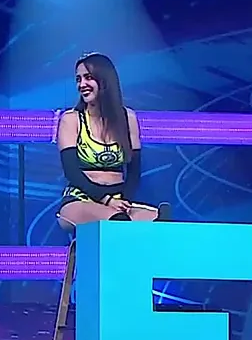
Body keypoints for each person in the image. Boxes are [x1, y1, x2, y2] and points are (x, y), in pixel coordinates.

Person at [56, 53, 170, 230]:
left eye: (88, 77)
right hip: (80, 198)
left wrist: (123, 201)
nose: (82, 84)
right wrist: (106, 200)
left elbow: (134, 171)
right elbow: (72, 173)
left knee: (159, 223)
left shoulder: (128, 118)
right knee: (117, 223)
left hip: (118, 199)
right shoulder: (71, 119)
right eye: (78, 79)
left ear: (105, 80)